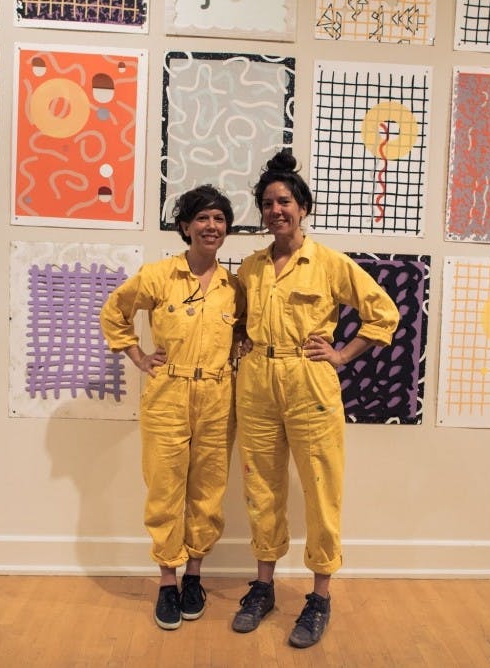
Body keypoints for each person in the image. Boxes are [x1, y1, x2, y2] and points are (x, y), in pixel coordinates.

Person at [231, 151, 399, 648]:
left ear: (303, 207)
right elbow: (240, 316)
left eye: (284, 201)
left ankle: (320, 595)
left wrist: (344, 353)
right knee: (261, 486)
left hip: (310, 384)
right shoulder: (251, 267)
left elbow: (382, 313)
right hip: (257, 381)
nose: (275, 210)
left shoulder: (328, 263)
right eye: (267, 203)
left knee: (322, 488)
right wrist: (242, 337)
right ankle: (263, 587)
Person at [100, 184, 245, 631]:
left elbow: (243, 335)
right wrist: (139, 356)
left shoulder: (234, 287)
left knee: (208, 491)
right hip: (167, 396)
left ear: (226, 229)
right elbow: (114, 311)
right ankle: (167, 580)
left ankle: (195, 576)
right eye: (202, 218)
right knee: (164, 489)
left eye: (219, 218)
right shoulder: (158, 276)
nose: (211, 226)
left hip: (219, 398)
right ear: (185, 226)